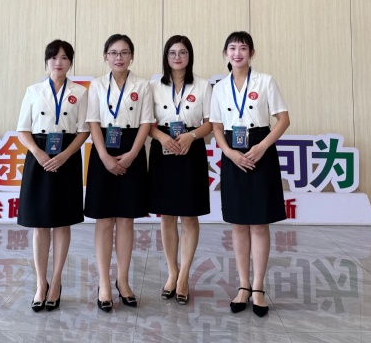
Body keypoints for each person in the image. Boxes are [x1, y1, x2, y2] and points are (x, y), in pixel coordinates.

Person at [209, 31, 290, 317]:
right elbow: (216, 126)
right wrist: (229, 153)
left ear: (251, 53)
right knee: (238, 224)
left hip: (260, 149)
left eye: (243, 48)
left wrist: (263, 146)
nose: (237, 53)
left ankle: (258, 288)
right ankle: (243, 286)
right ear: (226, 53)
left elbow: (283, 119)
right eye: (232, 48)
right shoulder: (219, 88)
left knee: (259, 223)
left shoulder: (265, 81)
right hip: (233, 152)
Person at [16, 40, 90, 313]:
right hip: (39, 157)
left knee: (62, 222)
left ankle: (56, 281)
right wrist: (38, 153)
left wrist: (65, 155)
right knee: (40, 224)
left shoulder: (80, 92)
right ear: (46, 62)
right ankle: (40, 283)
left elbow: (84, 130)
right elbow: (23, 129)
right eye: (53, 58)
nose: (58, 62)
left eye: (64, 58)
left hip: (66, 158)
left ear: (70, 62)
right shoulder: (33, 91)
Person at [84, 34, 153, 312]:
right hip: (103, 149)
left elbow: (146, 122)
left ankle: (123, 281)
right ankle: (103, 283)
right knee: (104, 221)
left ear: (132, 56)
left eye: (124, 52)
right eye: (113, 53)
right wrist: (103, 156)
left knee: (126, 220)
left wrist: (133, 154)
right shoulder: (97, 85)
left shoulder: (143, 85)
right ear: (105, 57)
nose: (119, 58)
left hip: (132, 148)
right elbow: (93, 122)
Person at [149, 35, 214, 305]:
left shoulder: (203, 85)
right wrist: (161, 137)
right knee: (166, 215)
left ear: (190, 56)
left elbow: (211, 123)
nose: (177, 57)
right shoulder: (154, 86)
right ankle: (172, 272)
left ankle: (185, 275)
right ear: (166, 56)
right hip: (163, 148)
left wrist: (192, 136)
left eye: (183, 52)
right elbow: (146, 122)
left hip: (191, 148)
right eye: (172, 53)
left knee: (189, 216)